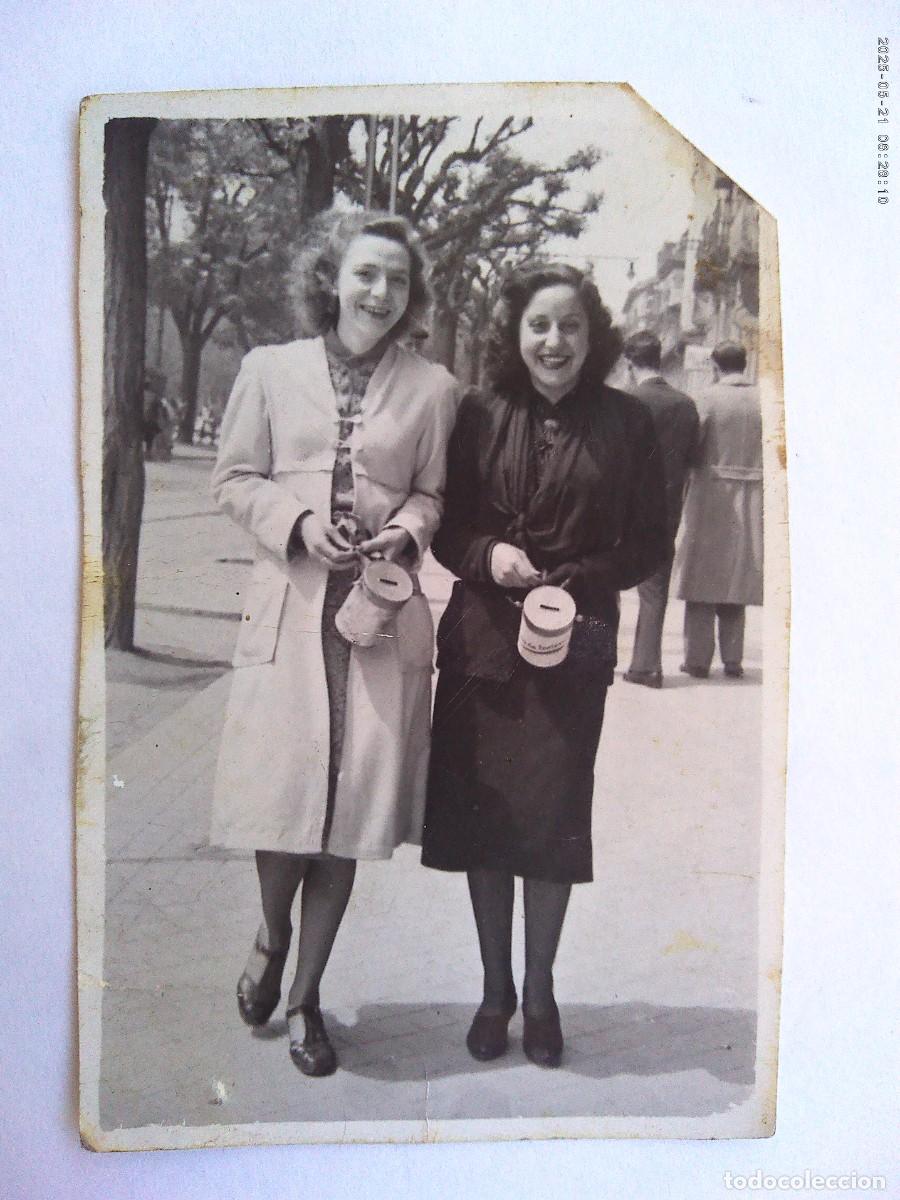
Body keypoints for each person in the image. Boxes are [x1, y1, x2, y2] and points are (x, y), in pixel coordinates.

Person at [210, 209, 458, 1076]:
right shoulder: (269, 370)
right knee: (282, 802)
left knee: (348, 816)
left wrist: (407, 533)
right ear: (331, 278)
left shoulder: (433, 388)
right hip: (289, 609)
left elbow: (433, 495)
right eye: (365, 274)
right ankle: (272, 936)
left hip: (378, 621)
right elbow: (234, 478)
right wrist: (298, 519)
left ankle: (309, 996)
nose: (380, 293)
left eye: (396, 279)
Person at [421, 264, 668, 1068]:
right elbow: (447, 527)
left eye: (569, 326)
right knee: (487, 824)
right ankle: (493, 992)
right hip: (482, 642)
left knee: (553, 820)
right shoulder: (479, 413)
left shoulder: (629, 424)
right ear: (515, 333)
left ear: (592, 337)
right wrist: (489, 556)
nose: (553, 341)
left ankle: (540, 991)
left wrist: (584, 575)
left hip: (579, 637)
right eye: (538, 325)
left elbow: (650, 545)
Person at [674, 340, 763, 679]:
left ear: (714, 365)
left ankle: (697, 660)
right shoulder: (762, 400)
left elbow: (692, 445)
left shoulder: (707, 398)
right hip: (753, 492)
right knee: (737, 575)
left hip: (711, 491)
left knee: (702, 576)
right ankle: (733, 659)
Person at [621, 330, 699, 688]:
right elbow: (692, 459)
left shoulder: (623, 400)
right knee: (654, 591)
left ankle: (598, 655)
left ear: (629, 362)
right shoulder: (685, 404)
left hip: (620, 508)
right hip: (666, 508)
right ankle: (647, 666)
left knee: (603, 583)